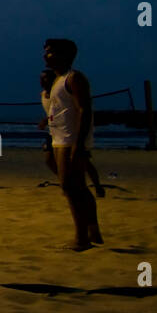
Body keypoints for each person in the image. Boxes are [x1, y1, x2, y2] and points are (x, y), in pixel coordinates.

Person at [43, 39, 104, 248]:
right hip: (59, 139)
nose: (45, 56)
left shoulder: (74, 78)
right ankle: (92, 231)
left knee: (71, 188)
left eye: (50, 53)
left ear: (64, 55)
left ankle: (81, 238)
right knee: (75, 187)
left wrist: (78, 143)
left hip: (70, 140)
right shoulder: (57, 79)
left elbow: (84, 110)